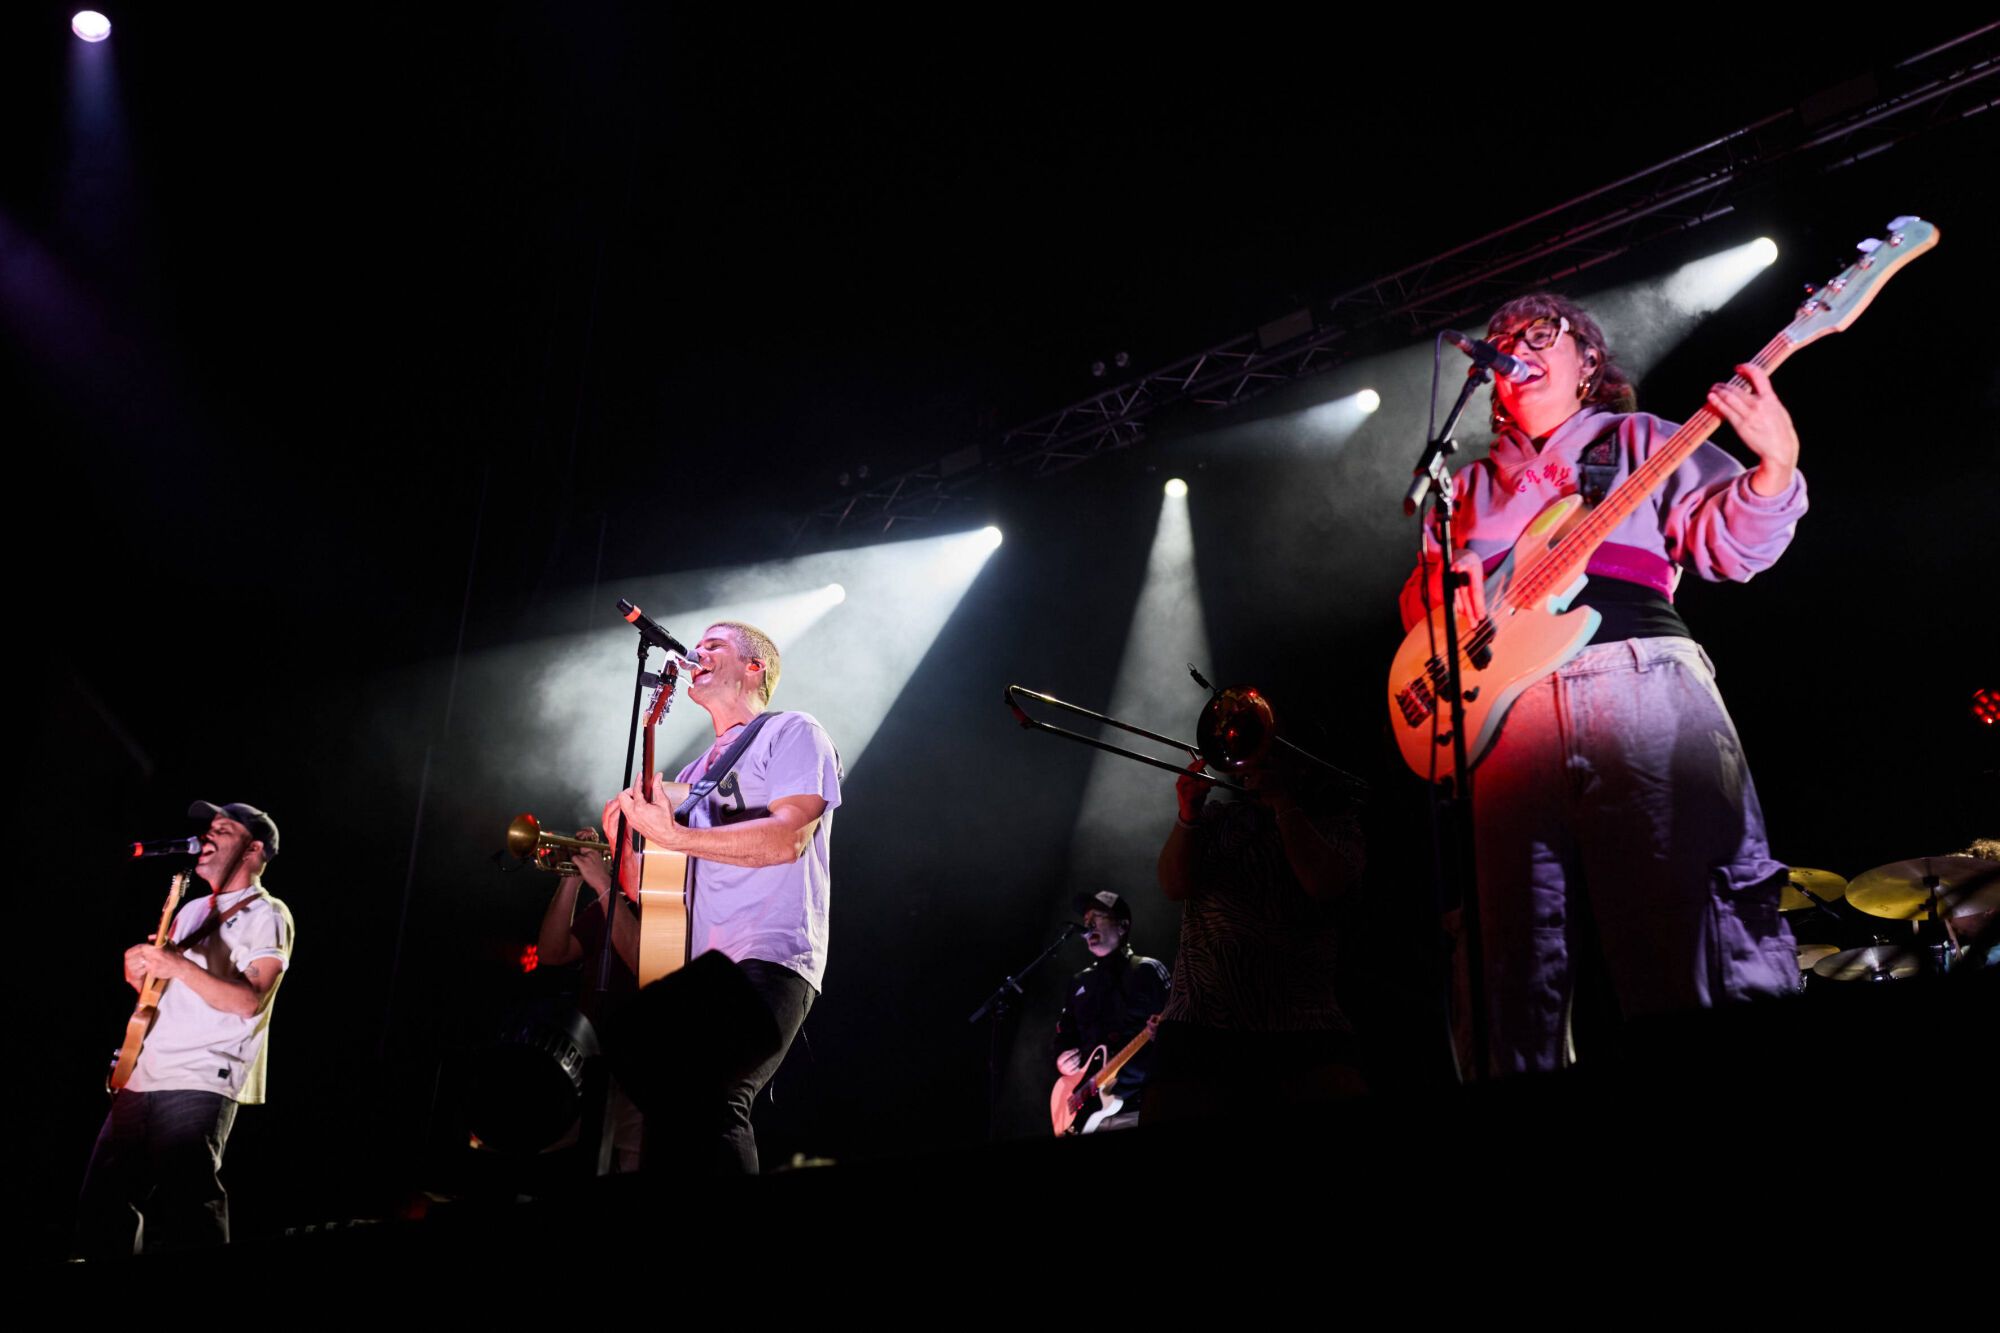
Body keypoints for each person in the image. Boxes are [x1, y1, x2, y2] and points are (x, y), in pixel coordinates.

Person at [1399, 293, 1804, 1076]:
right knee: (1505, 971)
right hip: (1502, 725)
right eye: (1502, 340)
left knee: (1690, 940)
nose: (1515, 346)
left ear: (1588, 359)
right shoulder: (1466, 490)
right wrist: (1440, 599)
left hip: (1636, 680)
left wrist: (1774, 469)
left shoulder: (1641, 439)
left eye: (1539, 334)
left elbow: (1733, 545)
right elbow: (1419, 614)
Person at [608, 621, 841, 1173]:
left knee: (713, 1100)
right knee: (664, 1107)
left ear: (753, 668)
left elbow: (787, 839)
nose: (697, 652)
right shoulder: (689, 776)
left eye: (714, 645)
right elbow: (652, 887)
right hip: (705, 969)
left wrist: (674, 834)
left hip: (769, 952)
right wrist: (620, 845)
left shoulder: (791, 732)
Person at [76, 801, 294, 1257]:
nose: (208, 834)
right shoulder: (190, 907)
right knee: (105, 1204)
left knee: (189, 1207)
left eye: (224, 828)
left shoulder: (267, 914)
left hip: (199, 1077)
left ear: (253, 848)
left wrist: (174, 963)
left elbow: (249, 1000)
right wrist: (141, 973)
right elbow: (169, 989)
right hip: (143, 1073)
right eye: (208, 827)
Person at [1147, 743, 1367, 1123]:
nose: (1257, 765)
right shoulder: (1217, 817)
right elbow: (1172, 885)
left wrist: (1284, 804)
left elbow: (1323, 884)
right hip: (1199, 1024)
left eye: (1272, 758)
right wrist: (1187, 814)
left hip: (1303, 1029)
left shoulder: (1337, 824)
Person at [1051, 890, 1169, 1133]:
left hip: (1137, 1107)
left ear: (1122, 926)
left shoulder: (1148, 970)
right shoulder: (1080, 981)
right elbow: (1065, 1034)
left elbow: (1179, 1025)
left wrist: (1165, 1034)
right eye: (1085, 921)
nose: (1088, 925)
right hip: (1085, 1113)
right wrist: (1063, 1059)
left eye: (1098, 916)